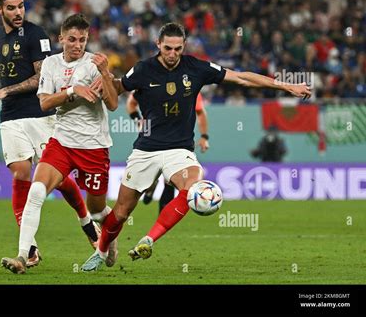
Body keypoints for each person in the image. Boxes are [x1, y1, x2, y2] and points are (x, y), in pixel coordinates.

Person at [81, 22, 311, 271]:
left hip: (180, 150)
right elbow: (117, 89)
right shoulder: (143, 69)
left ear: (184, 46)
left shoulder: (196, 68)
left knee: (193, 186)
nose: (172, 54)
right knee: (122, 212)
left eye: (178, 49)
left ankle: (149, 239)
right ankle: (102, 250)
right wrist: (104, 80)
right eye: (167, 48)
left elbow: (241, 77)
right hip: (146, 149)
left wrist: (285, 86)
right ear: (158, 45)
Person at [0, 0, 99, 269]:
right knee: (21, 172)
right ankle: (30, 250)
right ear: (0, 10)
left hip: (40, 115)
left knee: (57, 179)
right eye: (11, 8)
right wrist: (5, 96)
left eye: (21, 6)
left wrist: (4, 92)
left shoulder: (36, 35)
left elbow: (39, 79)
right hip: (10, 117)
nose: (18, 12)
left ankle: (87, 224)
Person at [0, 13, 119, 274]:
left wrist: (105, 74)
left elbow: (112, 104)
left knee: (97, 209)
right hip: (62, 142)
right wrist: (72, 91)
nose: (78, 45)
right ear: (61, 38)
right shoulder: (51, 64)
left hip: (94, 146)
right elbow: (43, 103)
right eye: (73, 39)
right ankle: (22, 256)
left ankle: (110, 237)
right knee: (36, 192)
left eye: (83, 40)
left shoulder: (94, 64)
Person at [128, 92, 210, 211]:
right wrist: (138, 121)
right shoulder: (147, 79)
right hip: (150, 142)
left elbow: (200, 111)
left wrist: (204, 136)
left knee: (170, 181)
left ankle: (163, 221)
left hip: (176, 143)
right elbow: (131, 102)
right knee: (147, 179)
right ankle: (151, 186)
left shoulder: (190, 85)